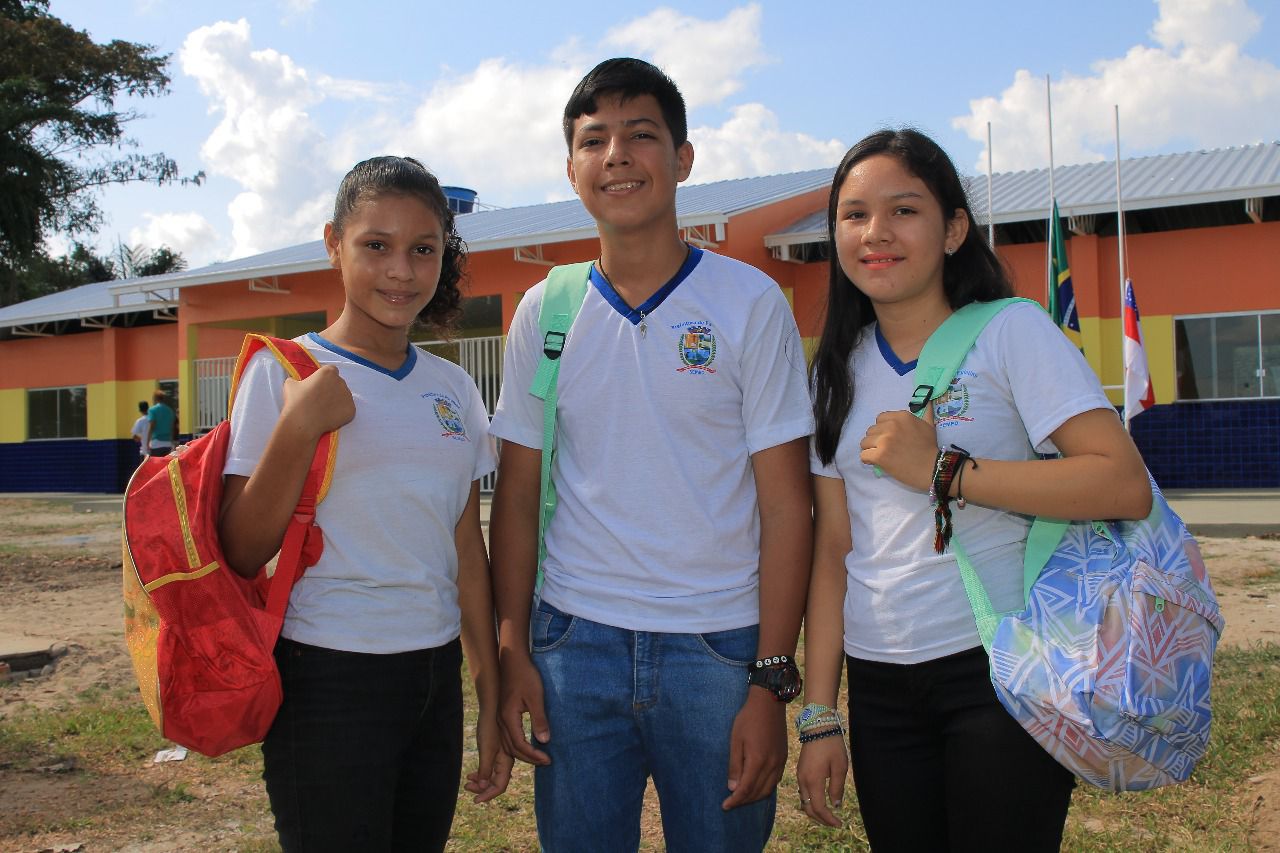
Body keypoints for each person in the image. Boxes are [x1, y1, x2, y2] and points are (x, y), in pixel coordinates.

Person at [488, 58, 814, 853]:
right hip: (574, 645)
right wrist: (513, 647)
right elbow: (521, 493)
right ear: (571, 170)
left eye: (641, 135)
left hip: (719, 650)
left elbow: (785, 504)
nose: (617, 156)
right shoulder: (545, 308)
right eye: (593, 140)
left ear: (684, 159)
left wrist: (770, 678)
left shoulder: (749, 302)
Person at [796, 128, 1153, 850]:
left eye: (904, 211)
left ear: (954, 228)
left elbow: (1123, 481)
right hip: (879, 682)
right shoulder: (835, 369)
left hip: (998, 671)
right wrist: (819, 713)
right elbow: (834, 547)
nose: (876, 234)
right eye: (854, 214)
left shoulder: (1011, 332)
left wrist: (946, 471)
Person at [217, 156, 511, 852]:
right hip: (328, 678)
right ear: (333, 243)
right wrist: (296, 427)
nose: (401, 271)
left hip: (433, 679)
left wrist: (487, 690)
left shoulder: (452, 388)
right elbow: (241, 547)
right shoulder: (281, 371)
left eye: (423, 249)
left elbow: (466, 549)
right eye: (375, 245)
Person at [146, 391, 175, 456]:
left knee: (155, 465)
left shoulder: (152, 410)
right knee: (165, 465)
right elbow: (172, 427)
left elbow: (152, 426)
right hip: (168, 443)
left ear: (155, 398)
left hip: (156, 443)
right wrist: (171, 441)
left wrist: (147, 442)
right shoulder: (170, 410)